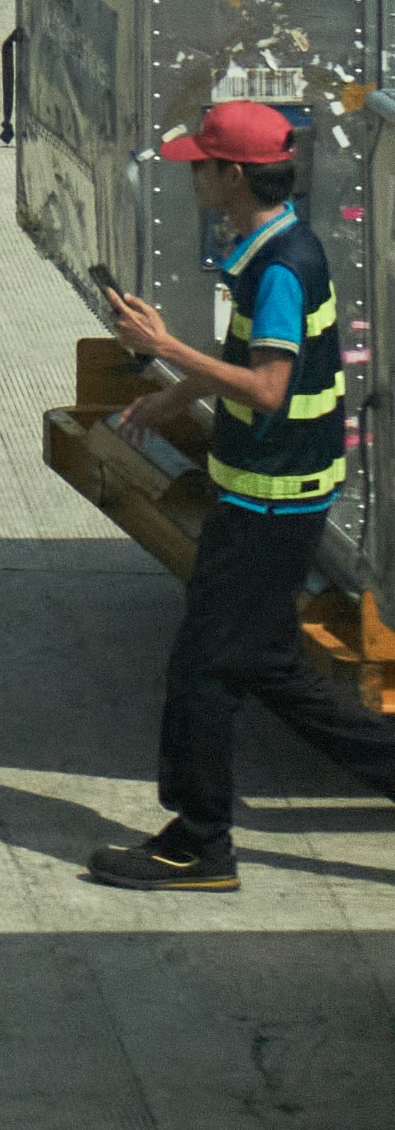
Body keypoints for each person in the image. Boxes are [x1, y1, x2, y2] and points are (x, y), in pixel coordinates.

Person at [84, 96, 395, 888]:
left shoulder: (281, 268)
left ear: (232, 176)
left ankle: (199, 846)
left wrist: (162, 345)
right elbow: (244, 358)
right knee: (269, 669)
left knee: (204, 670)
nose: (193, 176)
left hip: (270, 502)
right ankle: (201, 838)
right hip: (269, 493)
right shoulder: (271, 243)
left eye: (203, 165)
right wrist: (172, 394)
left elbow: (266, 388)